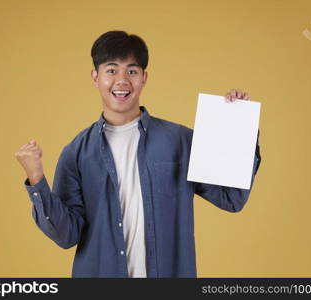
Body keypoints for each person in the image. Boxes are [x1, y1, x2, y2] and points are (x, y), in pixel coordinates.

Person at [15, 30, 261, 278]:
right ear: (95, 77)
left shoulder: (180, 141)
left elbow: (231, 198)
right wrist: (37, 180)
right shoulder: (76, 153)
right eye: (111, 70)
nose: (122, 80)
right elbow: (67, 235)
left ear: (144, 78)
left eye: (131, 71)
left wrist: (239, 126)